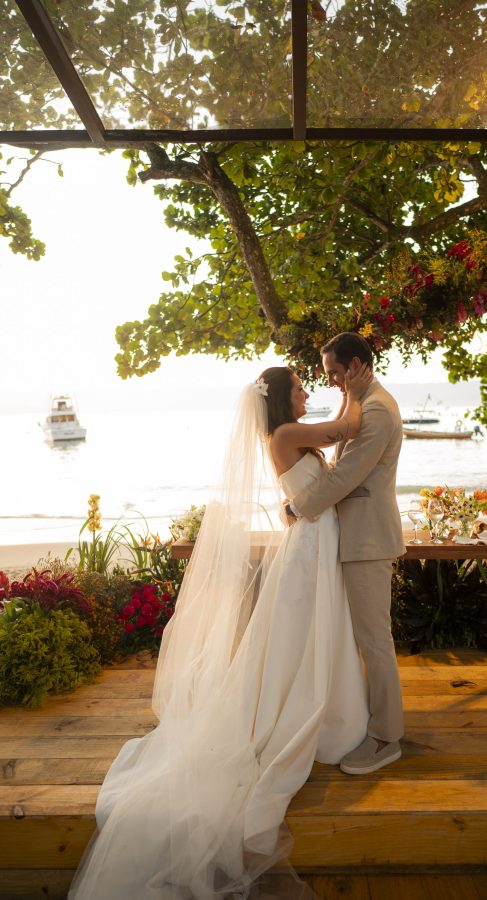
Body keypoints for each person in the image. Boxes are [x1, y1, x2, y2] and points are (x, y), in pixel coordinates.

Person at [67, 362, 372, 900]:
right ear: (280, 398)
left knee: (307, 638)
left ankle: (315, 706)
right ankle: (297, 713)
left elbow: (320, 463)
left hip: (315, 548)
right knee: (299, 639)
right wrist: (353, 389)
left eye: (309, 387)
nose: (307, 394)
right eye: (301, 388)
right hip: (309, 554)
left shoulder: (285, 435)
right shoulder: (284, 433)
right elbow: (344, 429)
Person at [287, 332, 405, 776]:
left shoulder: (375, 409)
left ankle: (386, 738)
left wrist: (295, 506)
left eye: (336, 372)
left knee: (375, 641)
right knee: (367, 641)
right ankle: (369, 722)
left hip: (367, 539)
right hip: (355, 537)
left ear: (355, 365)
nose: (331, 380)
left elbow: (346, 476)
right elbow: (342, 458)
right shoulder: (366, 402)